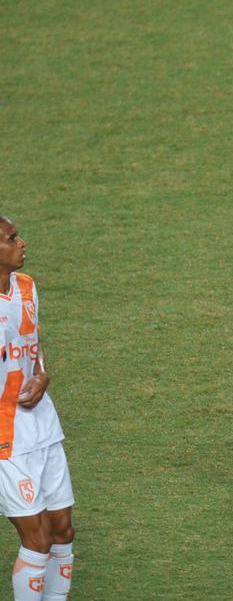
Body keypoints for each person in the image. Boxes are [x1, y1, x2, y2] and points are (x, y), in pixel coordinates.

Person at [0, 217, 75, 600]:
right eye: (12, 239)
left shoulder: (27, 287)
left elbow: (34, 342)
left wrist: (43, 375)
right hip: (7, 440)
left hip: (43, 426)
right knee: (38, 538)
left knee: (63, 531)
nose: (23, 243)